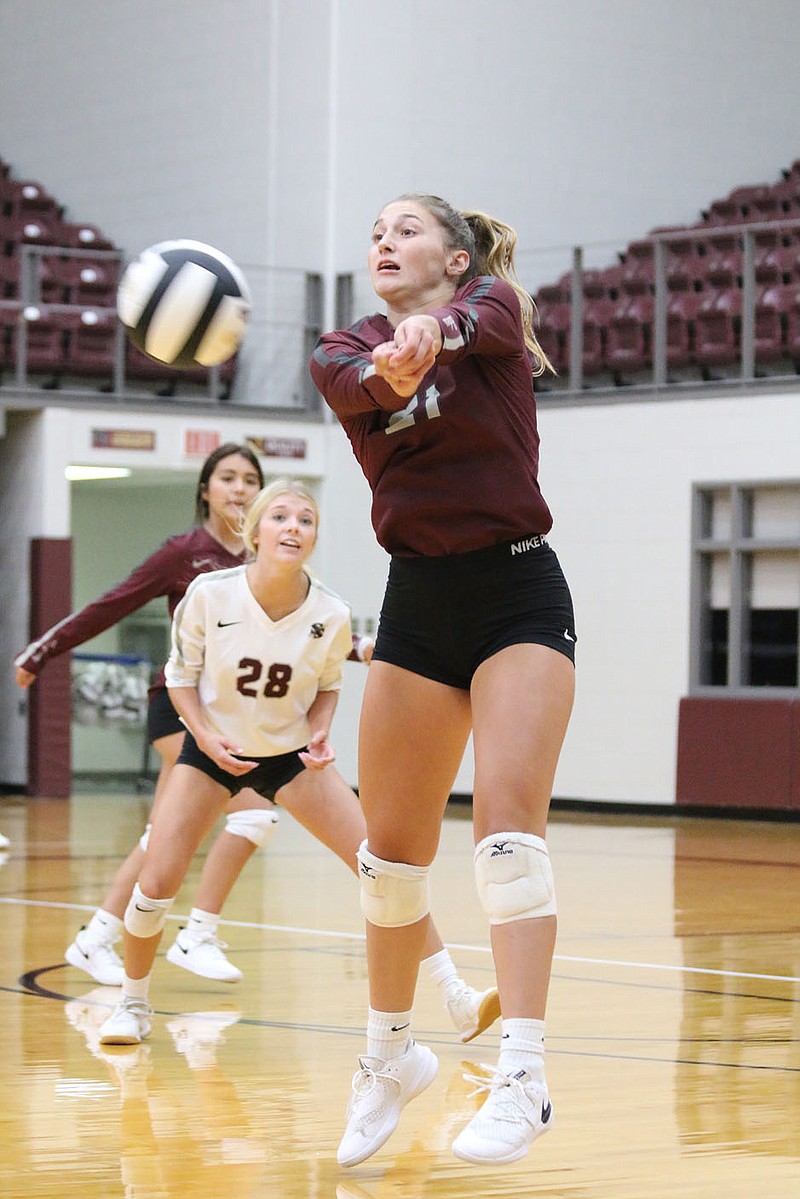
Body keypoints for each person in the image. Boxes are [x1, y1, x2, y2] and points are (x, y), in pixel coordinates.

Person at [309, 194, 576, 1167]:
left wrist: (433, 330)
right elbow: (360, 381)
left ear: (455, 258)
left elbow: (474, 322)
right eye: (373, 231)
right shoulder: (339, 350)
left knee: (506, 832)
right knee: (389, 860)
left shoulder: (493, 311)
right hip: (417, 599)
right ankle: (387, 1055)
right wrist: (391, 359)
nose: (382, 240)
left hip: (515, 589)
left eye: (405, 227)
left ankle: (523, 1075)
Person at [97, 478, 500, 1048]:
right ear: (254, 531)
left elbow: (328, 683)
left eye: (305, 519)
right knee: (156, 882)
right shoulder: (210, 594)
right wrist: (207, 738)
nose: (293, 527)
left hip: (288, 757)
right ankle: (133, 1005)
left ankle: (455, 993)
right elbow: (179, 678)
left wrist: (318, 730)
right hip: (212, 753)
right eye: (280, 516)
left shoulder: (330, 613)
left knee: (382, 868)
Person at [14, 443, 286, 985]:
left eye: (250, 479)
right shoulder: (183, 552)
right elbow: (111, 604)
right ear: (205, 490)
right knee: (254, 811)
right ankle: (198, 934)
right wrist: (42, 651)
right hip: (179, 708)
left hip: (232, 715)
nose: (239, 488)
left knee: (164, 834)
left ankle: (95, 939)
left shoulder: (266, 560)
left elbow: (300, 626)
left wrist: (359, 647)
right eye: (227, 477)